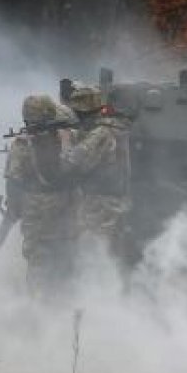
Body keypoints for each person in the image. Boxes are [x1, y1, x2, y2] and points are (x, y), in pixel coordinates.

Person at [3, 95, 79, 298]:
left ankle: (38, 309)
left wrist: (13, 209)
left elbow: (13, 180)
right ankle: (65, 303)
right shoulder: (67, 136)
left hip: (37, 211)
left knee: (38, 261)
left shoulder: (22, 144)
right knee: (65, 256)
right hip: (67, 207)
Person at [61, 84, 133, 263]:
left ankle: (98, 289)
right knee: (111, 254)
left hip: (100, 205)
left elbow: (71, 161)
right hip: (112, 202)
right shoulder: (114, 126)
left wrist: (65, 140)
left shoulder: (102, 133)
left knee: (94, 256)